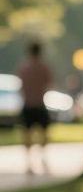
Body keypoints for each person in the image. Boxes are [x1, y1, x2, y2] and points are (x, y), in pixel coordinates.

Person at [16, 41, 53, 175]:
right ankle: (42, 157)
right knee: (44, 132)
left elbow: (21, 85)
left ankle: (29, 163)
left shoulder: (24, 67)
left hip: (27, 104)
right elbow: (49, 83)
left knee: (27, 134)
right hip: (40, 104)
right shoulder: (44, 67)